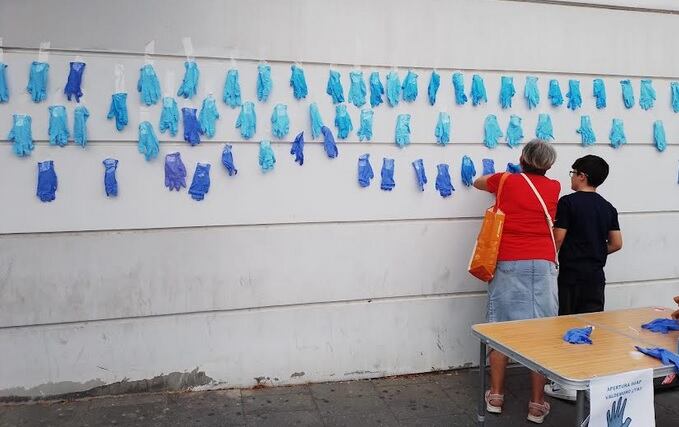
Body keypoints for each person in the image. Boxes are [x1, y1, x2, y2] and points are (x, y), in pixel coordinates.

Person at [473, 139, 560, 424]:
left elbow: (478, 181)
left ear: (522, 158)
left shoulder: (505, 181)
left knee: (501, 327)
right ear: (549, 165)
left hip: (508, 259)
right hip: (543, 262)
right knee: (542, 331)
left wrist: (504, 177)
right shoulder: (555, 187)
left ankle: (496, 396)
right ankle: (537, 404)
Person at [544, 155, 622, 401]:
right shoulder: (607, 206)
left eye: (572, 172)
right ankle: (587, 383)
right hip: (596, 276)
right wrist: (596, 251)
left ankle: (566, 385)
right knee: (590, 327)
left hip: (571, 275)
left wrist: (550, 258)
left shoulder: (568, 203)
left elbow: (558, 238)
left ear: (582, 176)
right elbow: (617, 243)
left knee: (566, 325)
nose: (571, 177)